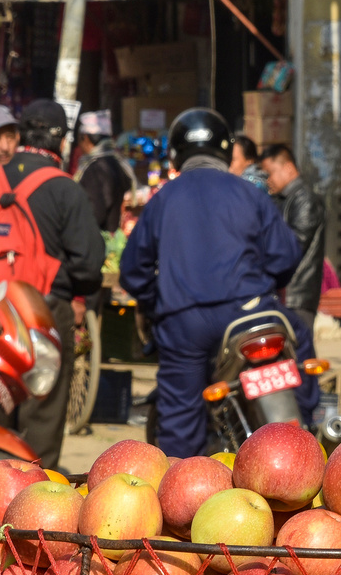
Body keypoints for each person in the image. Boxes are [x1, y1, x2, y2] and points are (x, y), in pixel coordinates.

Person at [120, 108, 301, 458]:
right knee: (300, 357)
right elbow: (286, 255)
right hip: (251, 313)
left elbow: (133, 271)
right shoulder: (250, 194)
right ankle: (315, 432)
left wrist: (158, 300)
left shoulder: (163, 201)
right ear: (224, 149)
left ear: (175, 153)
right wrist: (261, 288)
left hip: (185, 322)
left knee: (181, 421)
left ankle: (185, 501)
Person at [0, 100, 105, 466]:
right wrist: (79, 296)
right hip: (44, 309)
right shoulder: (65, 189)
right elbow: (89, 266)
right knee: (42, 408)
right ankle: (29, 495)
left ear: (19, 133)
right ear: (63, 140)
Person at [260, 143, 324, 423]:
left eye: (271, 173)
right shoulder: (283, 199)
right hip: (283, 293)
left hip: (297, 294)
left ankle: (304, 422)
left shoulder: (305, 199)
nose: (268, 180)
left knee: (297, 361)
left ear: (288, 168)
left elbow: (293, 246)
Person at [76, 132, 134, 233]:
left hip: (100, 237)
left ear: (86, 139)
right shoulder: (116, 162)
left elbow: (96, 212)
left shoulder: (95, 169)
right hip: (114, 234)